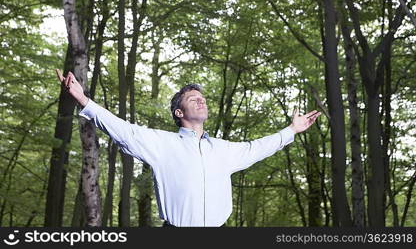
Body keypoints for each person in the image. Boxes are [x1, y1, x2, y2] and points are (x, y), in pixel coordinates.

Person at [56, 69, 321, 227]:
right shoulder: (161, 144)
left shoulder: (223, 150)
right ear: (179, 111)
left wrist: (292, 130)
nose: (201, 100)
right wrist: (83, 100)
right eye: (193, 98)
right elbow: (123, 130)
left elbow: (257, 147)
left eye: (202, 98)